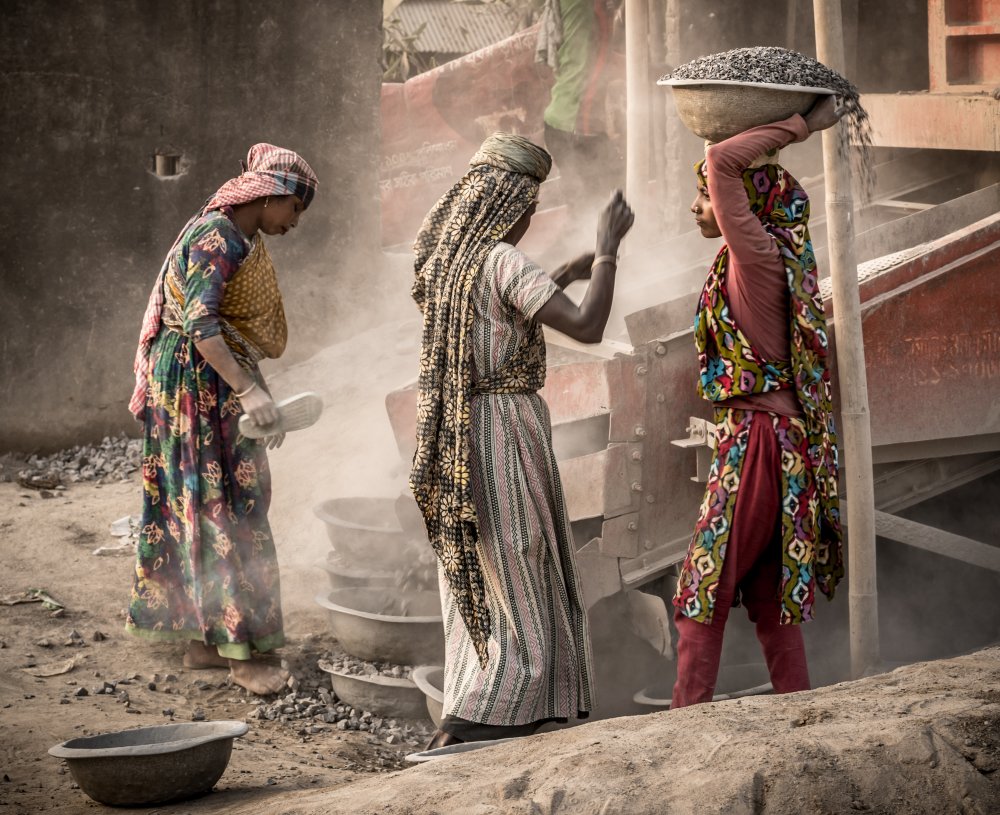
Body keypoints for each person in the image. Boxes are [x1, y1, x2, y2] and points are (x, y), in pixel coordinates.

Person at [410, 132, 633, 749]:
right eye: (530, 205)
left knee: (482, 569)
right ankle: (500, 708)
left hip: (463, 432)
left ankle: (471, 696)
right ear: (512, 205)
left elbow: (500, 313)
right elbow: (587, 327)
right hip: (506, 430)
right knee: (521, 560)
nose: (532, 216)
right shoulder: (503, 260)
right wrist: (609, 252)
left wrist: (564, 270)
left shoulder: (449, 262)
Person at [671, 97, 846, 708]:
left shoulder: (757, 257)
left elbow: (721, 159)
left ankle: (683, 721)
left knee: (703, 588)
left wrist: (802, 125)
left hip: (759, 442)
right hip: (779, 443)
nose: (699, 207)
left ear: (743, 203)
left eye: (706, 199)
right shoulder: (766, 258)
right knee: (772, 596)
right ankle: (798, 716)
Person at [125, 143, 318, 696]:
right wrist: (250, 391)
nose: (295, 223)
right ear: (270, 195)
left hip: (192, 379)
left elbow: (215, 331)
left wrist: (254, 391)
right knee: (230, 503)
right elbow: (203, 326)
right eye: (295, 210)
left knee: (197, 497)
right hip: (195, 381)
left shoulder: (233, 234)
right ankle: (243, 654)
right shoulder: (219, 237)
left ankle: (205, 641)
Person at [537, 0, 624, 224]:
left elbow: (597, 61)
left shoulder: (586, 8)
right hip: (576, 127)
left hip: (563, 123)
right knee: (602, 205)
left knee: (591, 207)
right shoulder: (584, 7)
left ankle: (582, 251)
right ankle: (584, 253)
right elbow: (588, 66)